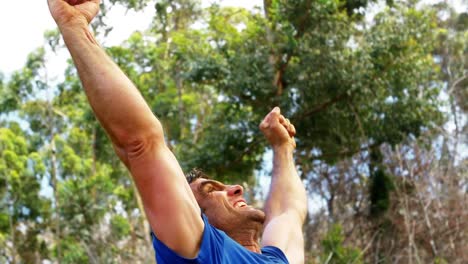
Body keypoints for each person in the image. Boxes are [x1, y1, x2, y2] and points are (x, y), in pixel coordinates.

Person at [47, 0, 308, 263]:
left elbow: (288, 212)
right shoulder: (208, 253)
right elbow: (140, 144)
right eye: (211, 190)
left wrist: (283, 148)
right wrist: (75, 26)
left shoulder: (277, 260)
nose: (237, 188)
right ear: (193, 217)